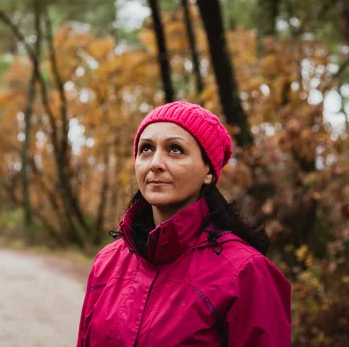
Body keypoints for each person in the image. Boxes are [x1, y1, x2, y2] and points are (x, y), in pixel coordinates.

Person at [76, 101, 291, 346]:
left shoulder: (246, 272)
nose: (155, 163)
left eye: (175, 149)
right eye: (146, 149)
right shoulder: (107, 262)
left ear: (209, 170)